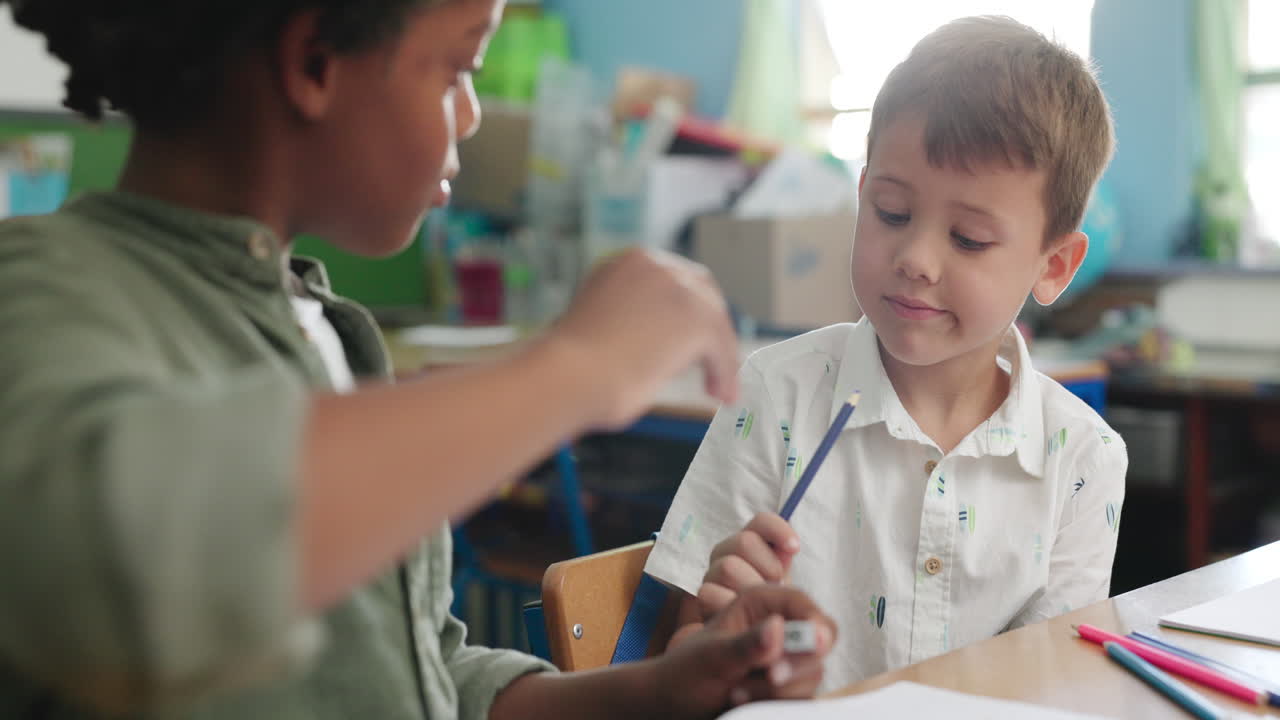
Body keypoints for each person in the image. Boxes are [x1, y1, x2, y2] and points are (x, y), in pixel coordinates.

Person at [0, 0, 836, 717]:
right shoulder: (40, 289)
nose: (471, 115)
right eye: (458, 70)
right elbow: (123, 565)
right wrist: (580, 365)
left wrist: (657, 693)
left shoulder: (325, 329)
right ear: (316, 61)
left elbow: (419, 682)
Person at [644, 15, 1128, 692]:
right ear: (864, 192)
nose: (915, 260)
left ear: (1055, 264)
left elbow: (1049, 688)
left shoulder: (1083, 459)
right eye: (892, 214)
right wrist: (716, 626)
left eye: (968, 238)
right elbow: (683, 656)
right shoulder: (778, 396)